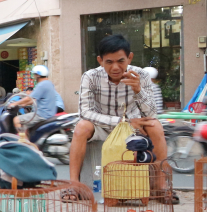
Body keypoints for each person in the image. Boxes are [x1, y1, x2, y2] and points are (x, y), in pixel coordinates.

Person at [69, 34, 166, 188]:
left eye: (121, 61)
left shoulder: (142, 75)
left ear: (129, 58)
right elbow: (85, 112)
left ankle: (161, 185)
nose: (115, 67)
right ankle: (74, 185)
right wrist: (123, 121)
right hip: (103, 127)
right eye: (109, 62)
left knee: (155, 125)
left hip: (132, 129)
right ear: (100, 61)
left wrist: (138, 89)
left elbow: (152, 114)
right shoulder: (90, 77)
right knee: (81, 127)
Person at [10, 65, 60, 132]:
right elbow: (34, 99)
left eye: (34, 74)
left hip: (41, 115)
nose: (34, 76)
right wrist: (23, 105)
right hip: (49, 114)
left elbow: (29, 98)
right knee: (26, 123)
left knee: (16, 120)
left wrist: (15, 103)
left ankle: (23, 141)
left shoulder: (41, 85)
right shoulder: (49, 83)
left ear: (38, 75)